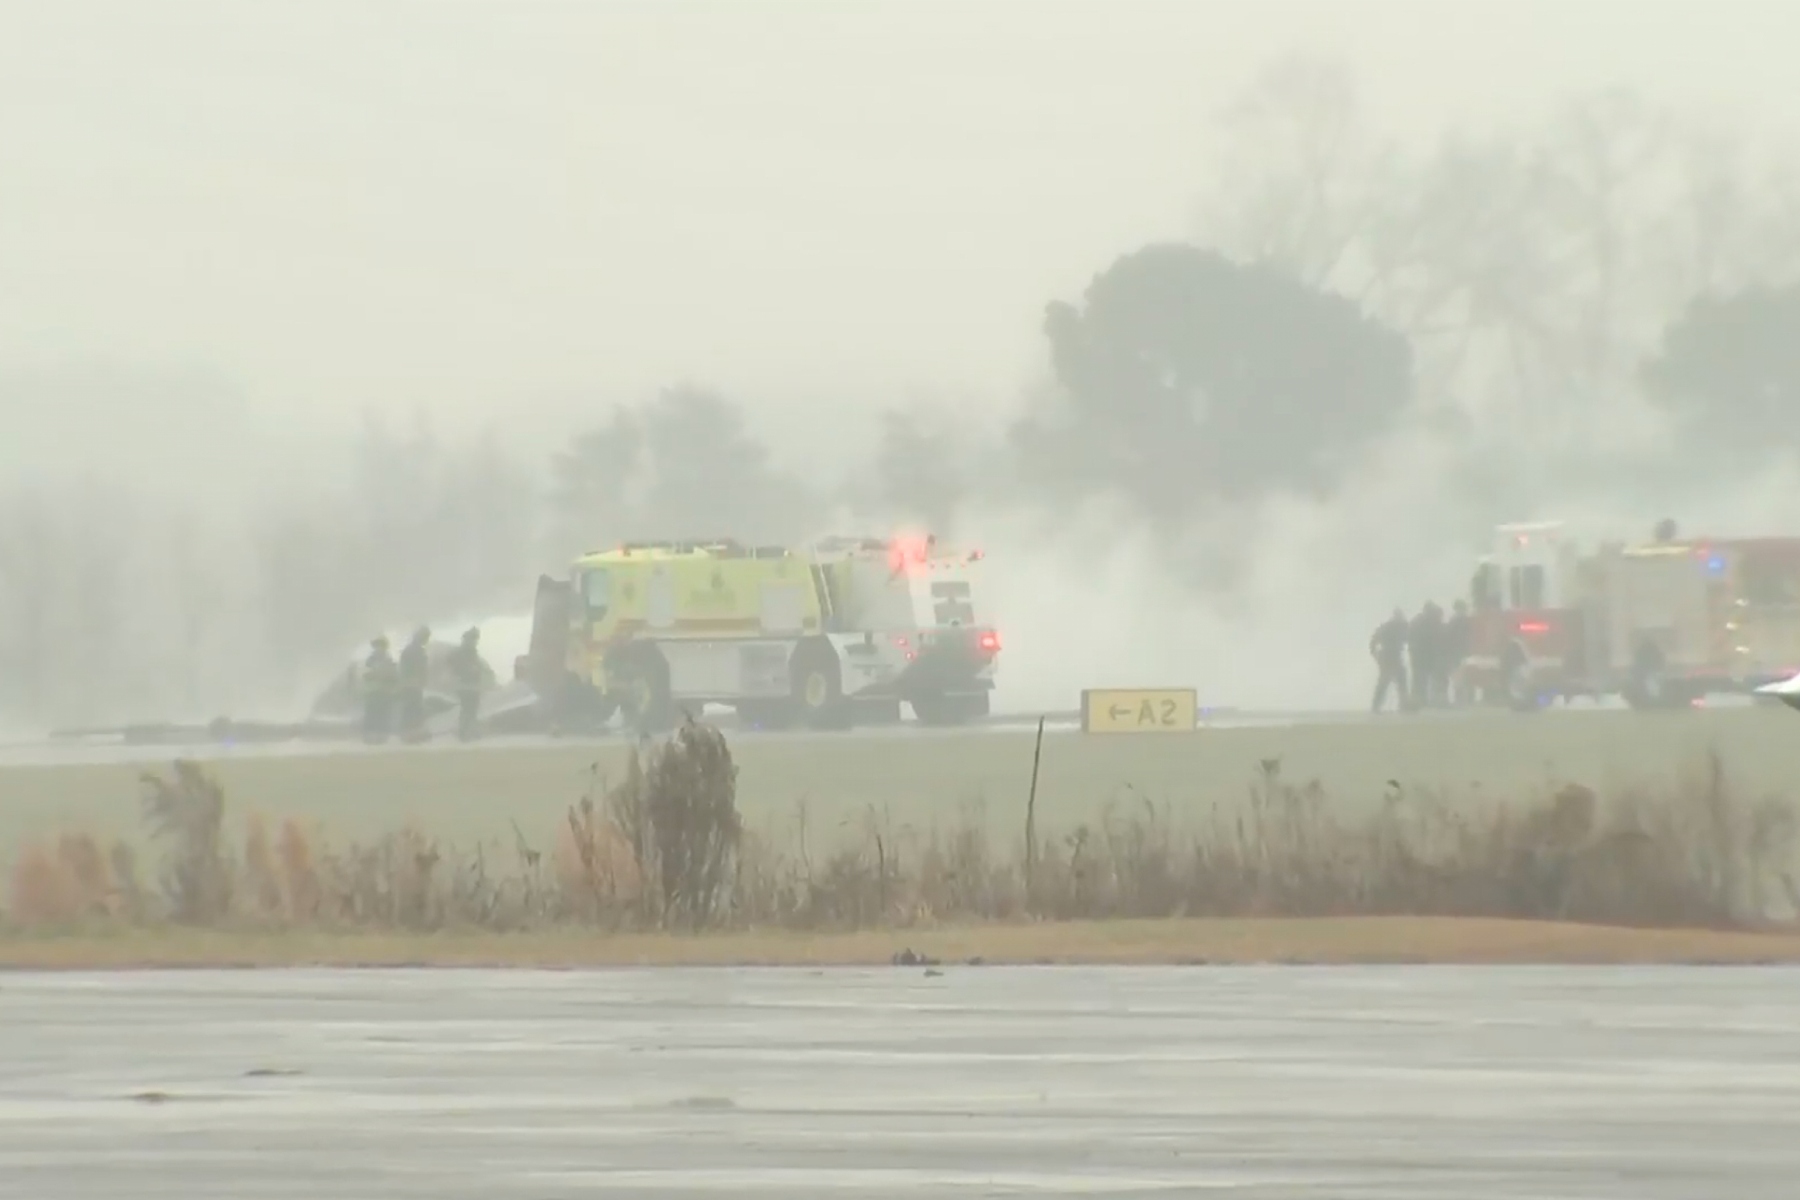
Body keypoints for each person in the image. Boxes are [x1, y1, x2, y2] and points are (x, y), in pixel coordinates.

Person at [448, 626, 490, 741]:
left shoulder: (468, 651)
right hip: (467, 685)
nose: (476, 642)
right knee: (468, 709)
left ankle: (468, 731)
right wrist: (467, 670)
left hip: (470, 685)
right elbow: (456, 664)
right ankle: (465, 732)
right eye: (475, 639)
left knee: (470, 709)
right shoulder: (464, 652)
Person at [1369, 608, 1410, 714]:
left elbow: (1373, 641)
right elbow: (1408, 638)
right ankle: (1401, 704)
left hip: (1389, 656)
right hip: (1390, 656)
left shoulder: (1388, 626)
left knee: (1391, 681)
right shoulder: (1400, 626)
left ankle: (1377, 705)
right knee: (1393, 680)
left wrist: (1375, 654)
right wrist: (1375, 653)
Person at [361, 635, 399, 744]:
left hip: (385, 692)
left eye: (381, 645)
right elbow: (365, 675)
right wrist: (376, 675)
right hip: (372, 692)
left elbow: (394, 677)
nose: (379, 648)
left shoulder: (389, 660)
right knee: (371, 715)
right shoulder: (369, 660)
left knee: (383, 715)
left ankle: (381, 737)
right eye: (377, 645)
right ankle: (369, 737)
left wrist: (388, 680)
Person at [397, 626, 432, 742]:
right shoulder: (414, 651)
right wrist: (416, 679)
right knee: (412, 709)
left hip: (413, 684)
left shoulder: (414, 650)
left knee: (413, 709)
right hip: (411, 684)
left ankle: (412, 734)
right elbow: (409, 668)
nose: (427, 640)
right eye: (426, 637)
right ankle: (410, 735)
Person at [1444, 599, 1473, 706]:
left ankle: (1460, 699)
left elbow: (1448, 636)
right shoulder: (1467, 620)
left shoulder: (1454, 621)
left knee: (1458, 676)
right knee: (1462, 676)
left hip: (1457, 652)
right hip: (1463, 652)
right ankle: (1465, 699)